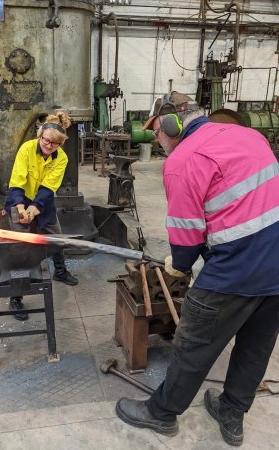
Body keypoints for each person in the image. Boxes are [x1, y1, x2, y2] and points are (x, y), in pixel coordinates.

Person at [115, 91, 279, 446]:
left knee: (193, 344)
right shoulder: (251, 136)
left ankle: (161, 413)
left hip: (235, 271)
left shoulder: (182, 160)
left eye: (157, 130)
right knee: (256, 346)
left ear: (173, 121)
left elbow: (186, 235)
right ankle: (232, 414)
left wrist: (181, 265)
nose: (156, 139)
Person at [5, 111, 78, 321]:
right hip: (20, 199)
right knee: (22, 248)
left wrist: (35, 209)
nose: (48, 146)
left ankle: (61, 272)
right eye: (45, 140)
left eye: (54, 144)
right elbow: (17, 180)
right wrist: (20, 208)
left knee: (57, 238)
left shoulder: (61, 158)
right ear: (40, 135)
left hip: (42, 203)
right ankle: (15, 297)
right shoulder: (27, 149)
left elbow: (48, 188)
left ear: (59, 145)